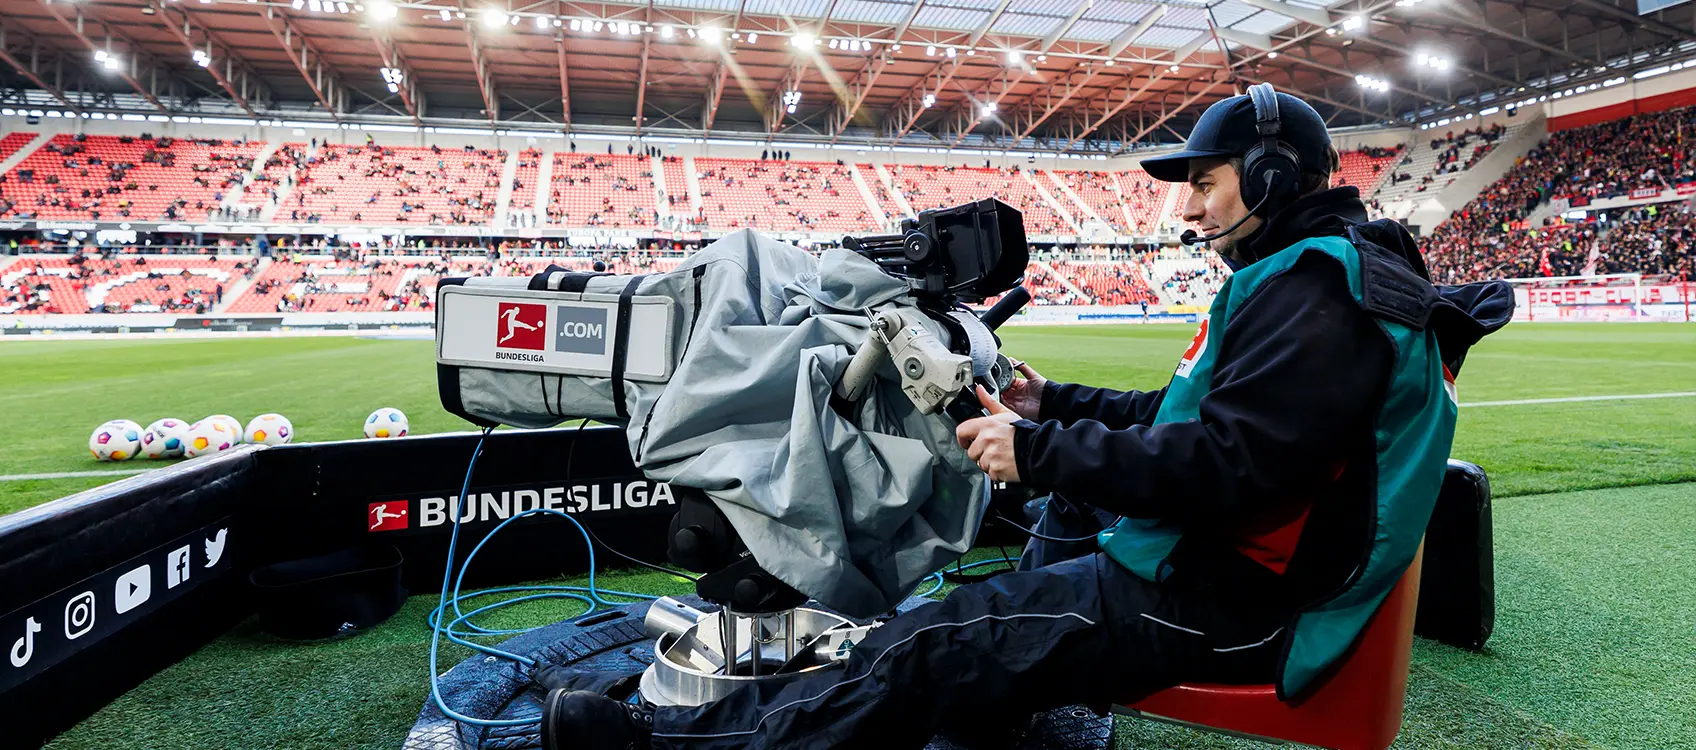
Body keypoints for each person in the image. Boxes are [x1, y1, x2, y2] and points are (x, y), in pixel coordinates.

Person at [538, 84, 1513, 749]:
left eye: (1206, 186)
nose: (1189, 214)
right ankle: (1003, 687)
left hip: (1230, 607)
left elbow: (1226, 466)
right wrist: (1056, 408)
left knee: (929, 640)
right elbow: (1190, 419)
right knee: (1030, 567)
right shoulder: (1318, 278)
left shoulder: (1318, 295)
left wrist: (1037, 451)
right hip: (1219, 570)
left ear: (1266, 177)